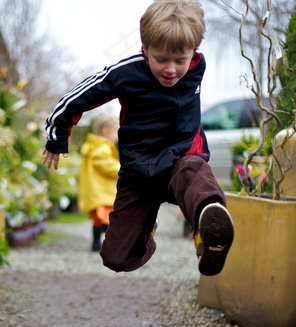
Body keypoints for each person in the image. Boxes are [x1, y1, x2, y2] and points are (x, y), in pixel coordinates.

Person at [41, 0, 234, 276]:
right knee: (116, 258)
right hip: (138, 172)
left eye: (180, 60)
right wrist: (57, 135)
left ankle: (208, 229)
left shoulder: (196, 67)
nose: (171, 69)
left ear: (193, 52)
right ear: (145, 50)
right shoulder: (127, 73)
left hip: (180, 160)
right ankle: (146, 227)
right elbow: (80, 95)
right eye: (161, 60)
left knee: (193, 170)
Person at [78, 116, 121, 252]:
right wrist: (123, 168)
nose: (118, 136)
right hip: (103, 192)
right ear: (104, 131)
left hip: (97, 191)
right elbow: (107, 166)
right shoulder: (101, 147)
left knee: (98, 220)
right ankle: (112, 244)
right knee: (108, 220)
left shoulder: (94, 146)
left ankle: (97, 243)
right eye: (116, 132)